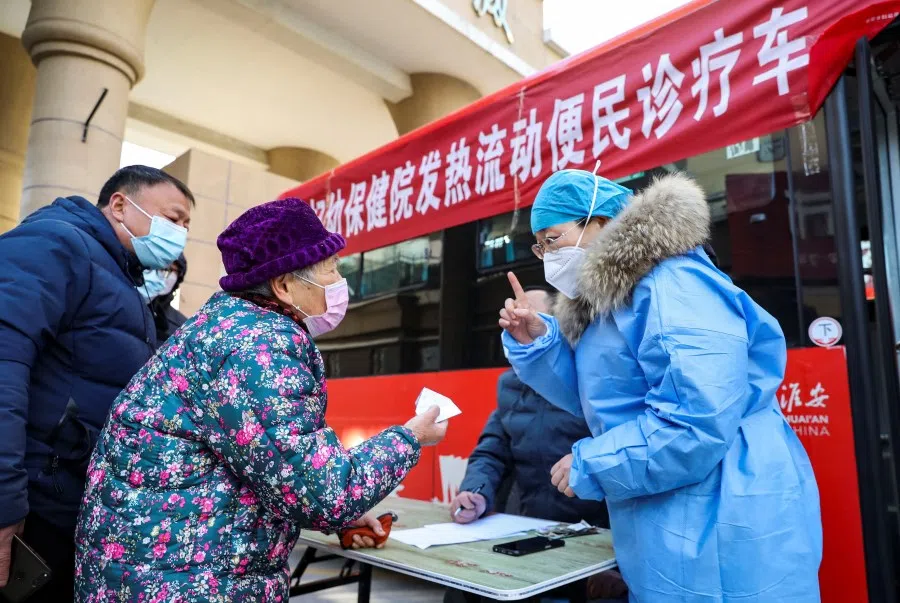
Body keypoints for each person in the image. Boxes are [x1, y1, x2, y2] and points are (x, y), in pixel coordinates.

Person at [74, 198, 448, 602]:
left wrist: (343, 512)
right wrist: (410, 438)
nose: (342, 283)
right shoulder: (258, 346)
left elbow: (272, 468)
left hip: (159, 574)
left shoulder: (227, 328)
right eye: (332, 269)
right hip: (187, 584)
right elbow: (323, 494)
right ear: (284, 285)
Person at [499, 170, 822, 603]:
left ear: (598, 222)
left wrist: (594, 464)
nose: (546, 255)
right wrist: (540, 343)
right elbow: (600, 399)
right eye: (539, 245)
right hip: (674, 505)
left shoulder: (673, 285)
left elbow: (696, 422)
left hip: (723, 508)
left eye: (553, 238)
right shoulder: (614, 301)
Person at [0, 165, 193, 601]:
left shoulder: (123, 281)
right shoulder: (56, 244)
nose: (180, 232)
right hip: (34, 507)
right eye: (174, 217)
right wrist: (4, 503)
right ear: (121, 205)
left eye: (186, 225)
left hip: (69, 506)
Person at [448, 289, 625, 603]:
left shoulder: (592, 383)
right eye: (512, 320)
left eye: (530, 317)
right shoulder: (510, 385)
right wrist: (475, 491)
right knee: (464, 588)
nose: (521, 325)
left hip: (597, 540)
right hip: (534, 536)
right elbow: (492, 450)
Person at [142, 254, 189, 346]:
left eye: (167, 270)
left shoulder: (182, 326)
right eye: (156, 268)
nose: (159, 275)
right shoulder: (124, 301)